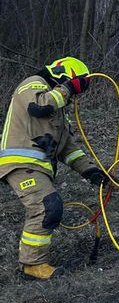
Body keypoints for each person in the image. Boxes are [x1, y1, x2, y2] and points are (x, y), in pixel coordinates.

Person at [2, 57, 108, 280]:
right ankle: (32, 265)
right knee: (46, 206)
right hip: (19, 163)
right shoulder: (33, 84)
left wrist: (90, 171)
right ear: (64, 76)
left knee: (49, 206)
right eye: (74, 86)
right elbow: (38, 106)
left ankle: (34, 264)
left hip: (36, 167)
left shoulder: (58, 113)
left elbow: (68, 148)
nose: (73, 96)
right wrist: (69, 88)